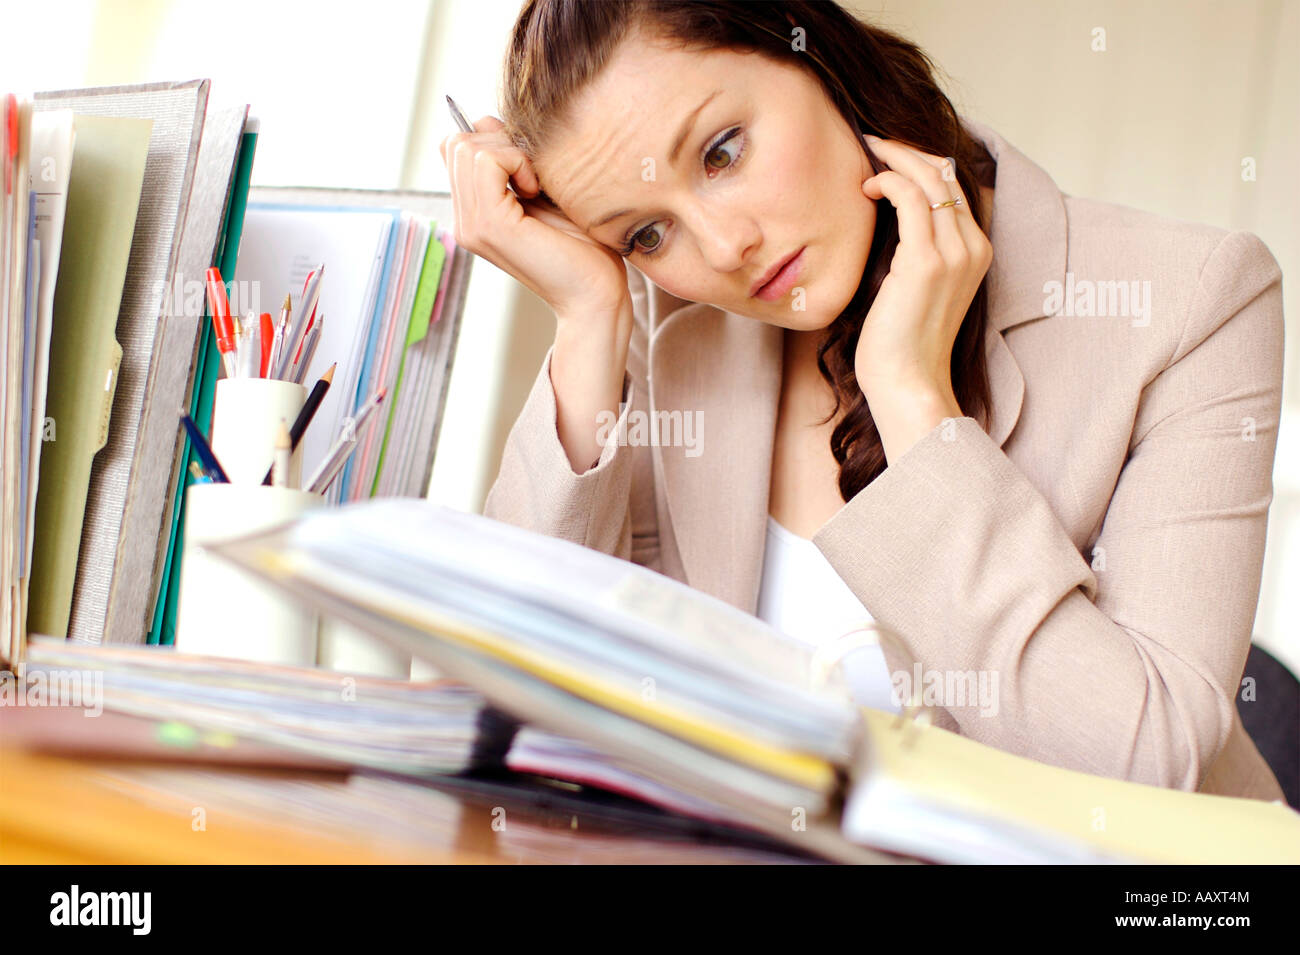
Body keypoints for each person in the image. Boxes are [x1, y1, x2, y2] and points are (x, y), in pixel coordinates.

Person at [440, 0, 1286, 803]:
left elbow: (1145, 760)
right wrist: (587, 317)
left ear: (814, 50)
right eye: (646, 234)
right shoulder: (673, 325)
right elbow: (482, 719)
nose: (725, 247)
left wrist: (915, 404)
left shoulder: (1191, 301)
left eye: (722, 152)